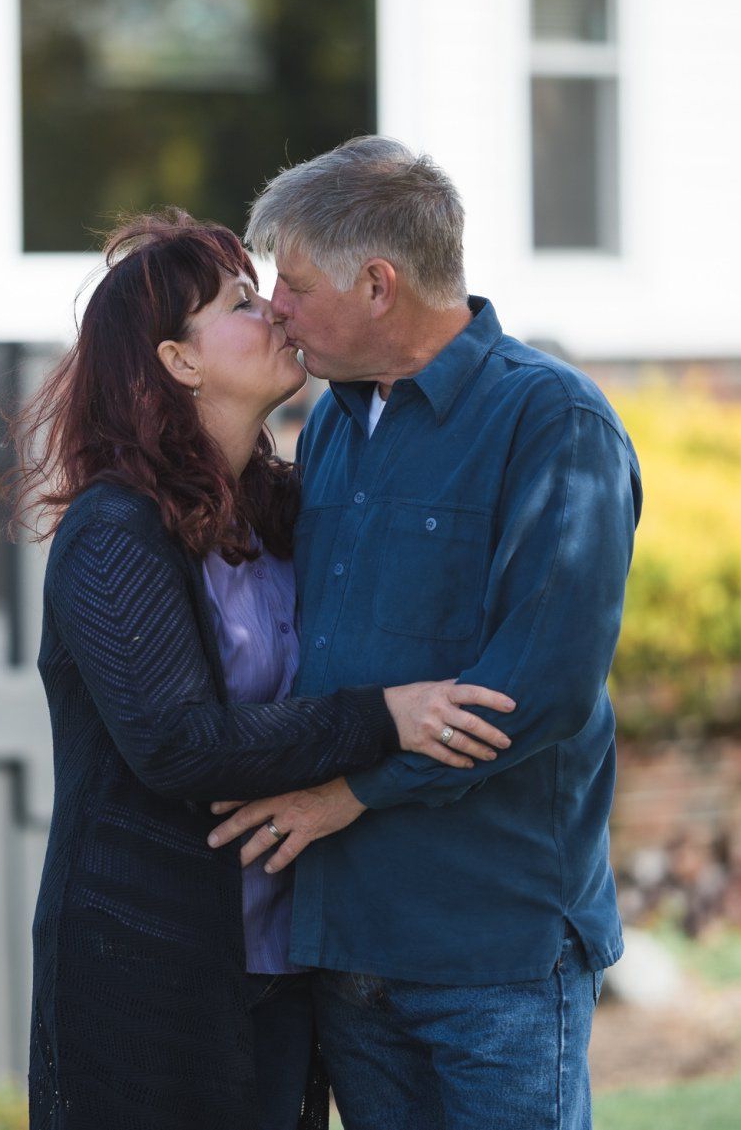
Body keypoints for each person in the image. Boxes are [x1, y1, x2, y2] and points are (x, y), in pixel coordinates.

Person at [10, 211, 519, 1130]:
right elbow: (178, 742)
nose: (278, 314)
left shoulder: (281, 510)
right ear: (180, 361)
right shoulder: (112, 533)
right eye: (243, 303)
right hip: (150, 968)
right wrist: (384, 718)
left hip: (287, 960)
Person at [207, 136, 643, 1130]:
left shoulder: (553, 423)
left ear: (376, 284)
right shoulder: (328, 423)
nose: (274, 305)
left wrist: (348, 792)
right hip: (349, 942)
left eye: (295, 283)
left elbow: (538, 688)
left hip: (492, 943)